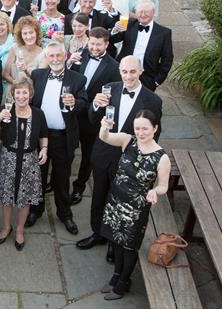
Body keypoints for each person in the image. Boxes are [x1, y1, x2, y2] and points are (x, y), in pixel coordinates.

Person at [76, 56, 163, 262]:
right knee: (98, 195)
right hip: (103, 153)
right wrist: (95, 106)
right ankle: (97, 233)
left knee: (118, 202)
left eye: (132, 71)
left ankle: (114, 243)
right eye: (124, 72)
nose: (128, 76)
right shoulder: (109, 89)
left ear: (140, 71)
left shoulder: (153, 100)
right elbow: (92, 119)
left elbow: (155, 134)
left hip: (129, 161)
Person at [98, 110, 170, 300]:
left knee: (129, 246)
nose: (140, 132)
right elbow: (104, 137)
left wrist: (155, 191)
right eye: (137, 128)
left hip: (136, 209)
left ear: (155, 128)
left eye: (145, 128)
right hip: (116, 201)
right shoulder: (127, 140)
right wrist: (104, 126)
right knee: (116, 240)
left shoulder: (162, 158)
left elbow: (164, 186)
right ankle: (115, 277)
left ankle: (123, 284)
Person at [27, 42, 88, 234]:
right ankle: (36, 210)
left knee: (62, 178)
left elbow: (84, 103)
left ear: (65, 56)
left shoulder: (78, 79)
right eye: (51, 56)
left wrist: (74, 103)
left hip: (63, 138)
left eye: (58, 56)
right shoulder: (37, 75)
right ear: (46, 57)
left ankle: (65, 214)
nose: (54, 59)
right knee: (38, 176)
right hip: (40, 137)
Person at [0, 77, 48, 250]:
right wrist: (0, 116)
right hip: (9, 158)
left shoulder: (38, 113)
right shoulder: (7, 110)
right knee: (7, 197)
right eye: (18, 92)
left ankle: (20, 230)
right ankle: (6, 227)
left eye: (24, 92)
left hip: (29, 160)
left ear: (30, 94)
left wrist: (44, 149)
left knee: (25, 199)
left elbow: (44, 134)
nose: (21, 96)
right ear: (13, 94)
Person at [68, 27, 121, 205]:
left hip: (93, 117)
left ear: (106, 44)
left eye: (99, 44)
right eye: (92, 43)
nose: (94, 47)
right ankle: (58, 182)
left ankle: (79, 186)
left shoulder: (114, 67)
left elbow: (113, 96)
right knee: (67, 150)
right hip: (73, 112)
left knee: (87, 155)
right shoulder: (79, 55)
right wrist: (69, 63)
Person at [111, 0, 173, 91]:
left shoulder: (164, 33)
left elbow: (167, 59)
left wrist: (157, 81)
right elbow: (113, 39)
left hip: (147, 77)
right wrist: (115, 30)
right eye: (140, 12)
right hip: (123, 73)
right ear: (135, 13)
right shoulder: (129, 24)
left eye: (146, 12)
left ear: (153, 12)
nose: (143, 15)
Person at [2, 15, 47, 84]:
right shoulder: (15, 48)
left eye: (31, 32)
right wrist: (15, 84)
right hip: (13, 90)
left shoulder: (43, 54)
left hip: (33, 92)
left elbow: (39, 80)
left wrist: (26, 71)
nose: (28, 37)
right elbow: (5, 74)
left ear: (36, 33)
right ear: (21, 36)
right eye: (25, 33)